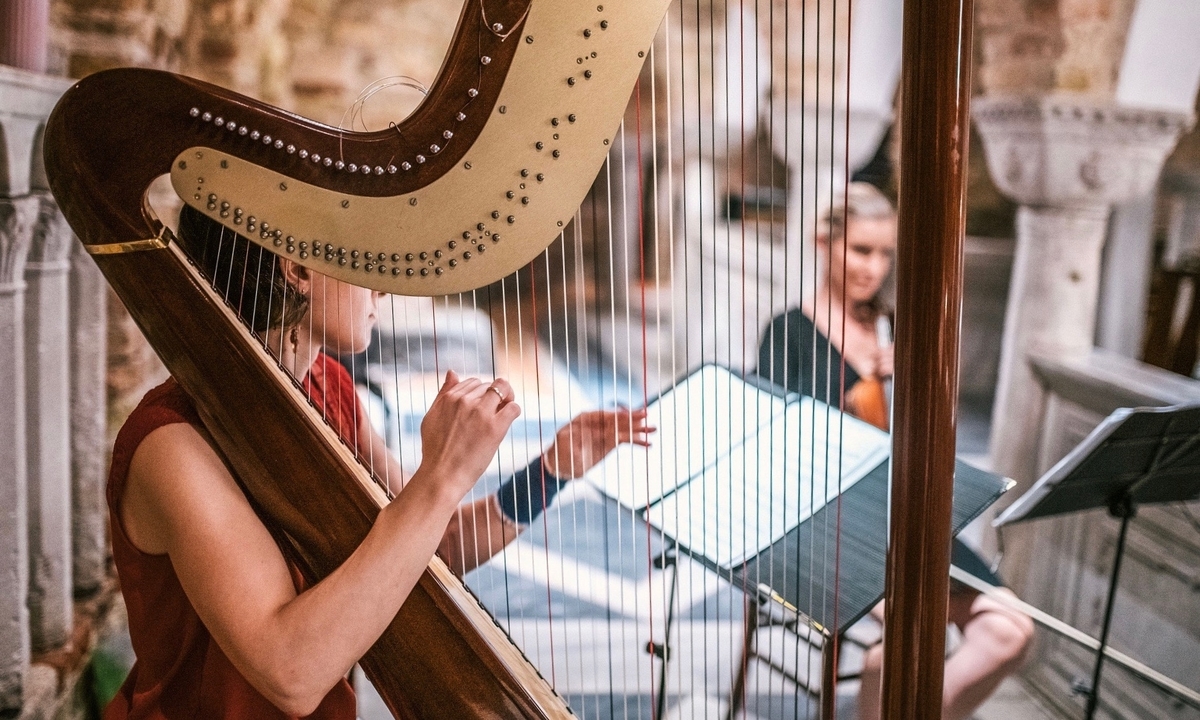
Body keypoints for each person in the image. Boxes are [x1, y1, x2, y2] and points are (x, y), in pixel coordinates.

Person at [104, 204, 653, 718]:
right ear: (296, 267)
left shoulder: (329, 386)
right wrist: (440, 477)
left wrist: (550, 471)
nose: (383, 286)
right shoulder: (171, 446)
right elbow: (290, 674)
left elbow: (430, 548)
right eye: (364, 256)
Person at [756, 183, 1033, 720]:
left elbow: (925, 436)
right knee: (908, 651)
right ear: (823, 241)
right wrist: (854, 393)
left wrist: (917, 378)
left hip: (903, 515)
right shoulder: (787, 332)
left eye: (885, 254)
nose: (875, 267)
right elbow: (778, 451)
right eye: (862, 250)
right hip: (826, 524)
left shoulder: (891, 327)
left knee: (1011, 630)